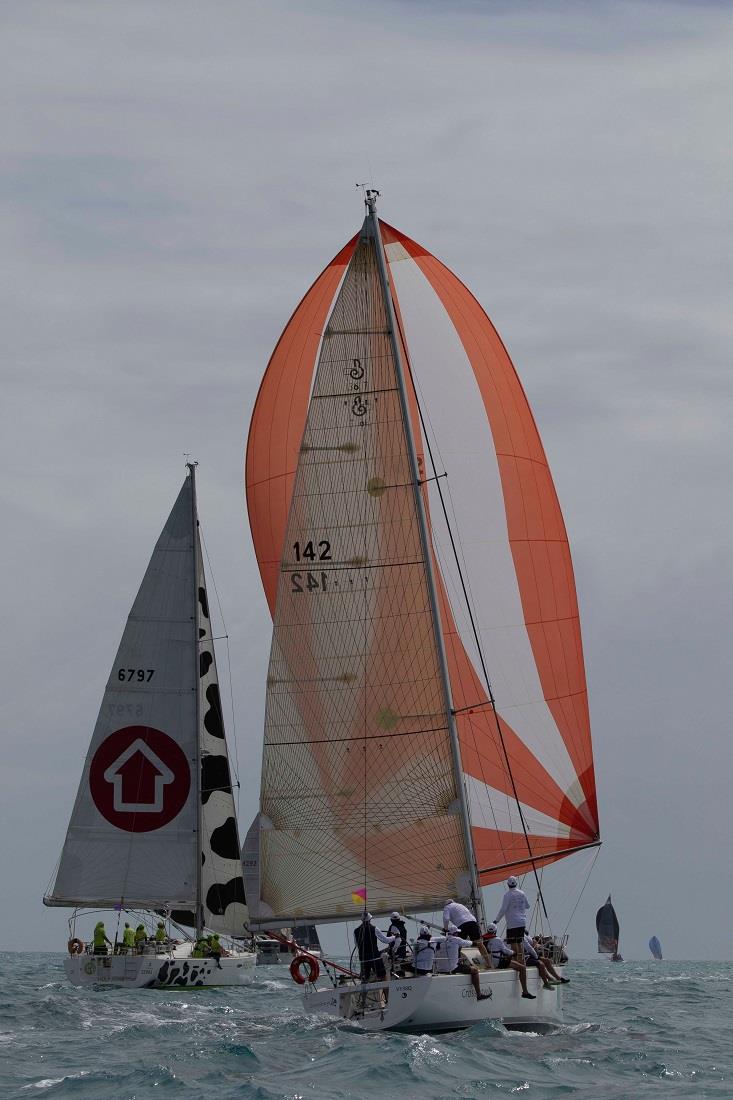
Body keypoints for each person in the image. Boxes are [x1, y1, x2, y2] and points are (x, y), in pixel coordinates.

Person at [434, 923, 492, 1001]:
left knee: (459, 963)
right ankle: (479, 995)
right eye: (457, 932)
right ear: (455, 933)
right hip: (452, 968)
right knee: (475, 970)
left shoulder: (442, 940)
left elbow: (431, 939)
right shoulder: (457, 940)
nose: (458, 934)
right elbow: (472, 943)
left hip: (440, 969)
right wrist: (480, 943)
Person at [483, 923, 535, 998]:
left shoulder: (484, 939)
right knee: (522, 968)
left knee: (511, 961)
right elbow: (505, 951)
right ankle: (525, 992)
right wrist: (514, 952)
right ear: (495, 931)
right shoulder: (497, 939)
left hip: (489, 962)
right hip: (498, 963)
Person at [443, 899, 491, 967]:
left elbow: (446, 918)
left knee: (458, 945)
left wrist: (446, 929)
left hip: (461, 925)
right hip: (472, 923)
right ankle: (489, 963)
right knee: (479, 944)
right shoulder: (460, 905)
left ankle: (457, 964)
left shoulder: (447, 907)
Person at [494, 876, 530, 958]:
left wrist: (496, 920)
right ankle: (522, 960)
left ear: (508, 884)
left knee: (513, 942)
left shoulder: (507, 895)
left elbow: (503, 909)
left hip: (512, 923)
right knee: (519, 942)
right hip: (522, 922)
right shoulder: (522, 893)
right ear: (516, 883)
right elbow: (527, 906)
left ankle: (517, 960)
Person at [354, 913, 395, 982]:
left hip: (364, 959)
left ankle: (363, 992)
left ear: (361, 920)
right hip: (375, 958)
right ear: (370, 919)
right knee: (382, 976)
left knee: (365, 979)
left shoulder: (356, 931)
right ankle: (387, 992)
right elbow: (385, 940)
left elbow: (357, 945)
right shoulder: (374, 929)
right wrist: (394, 937)